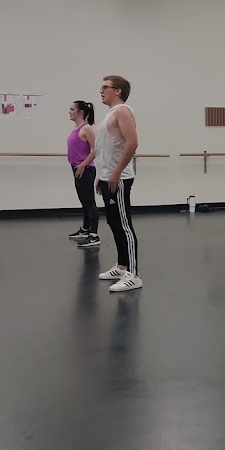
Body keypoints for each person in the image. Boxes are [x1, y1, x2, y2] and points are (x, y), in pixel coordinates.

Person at [94, 75, 142, 292]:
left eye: (105, 87)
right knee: (113, 223)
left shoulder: (123, 111)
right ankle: (122, 266)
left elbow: (132, 143)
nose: (101, 91)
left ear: (118, 91)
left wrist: (116, 172)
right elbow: (104, 148)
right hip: (107, 177)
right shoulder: (110, 114)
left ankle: (134, 274)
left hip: (119, 179)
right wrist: (101, 175)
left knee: (124, 225)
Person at [67, 100, 100, 248]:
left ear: (80, 112)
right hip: (77, 168)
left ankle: (94, 235)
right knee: (83, 201)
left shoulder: (87, 129)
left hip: (86, 169)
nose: (69, 112)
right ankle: (86, 229)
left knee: (90, 202)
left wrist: (83, 165)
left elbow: (95, 150)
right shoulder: (77, 129)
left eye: (72, 109)